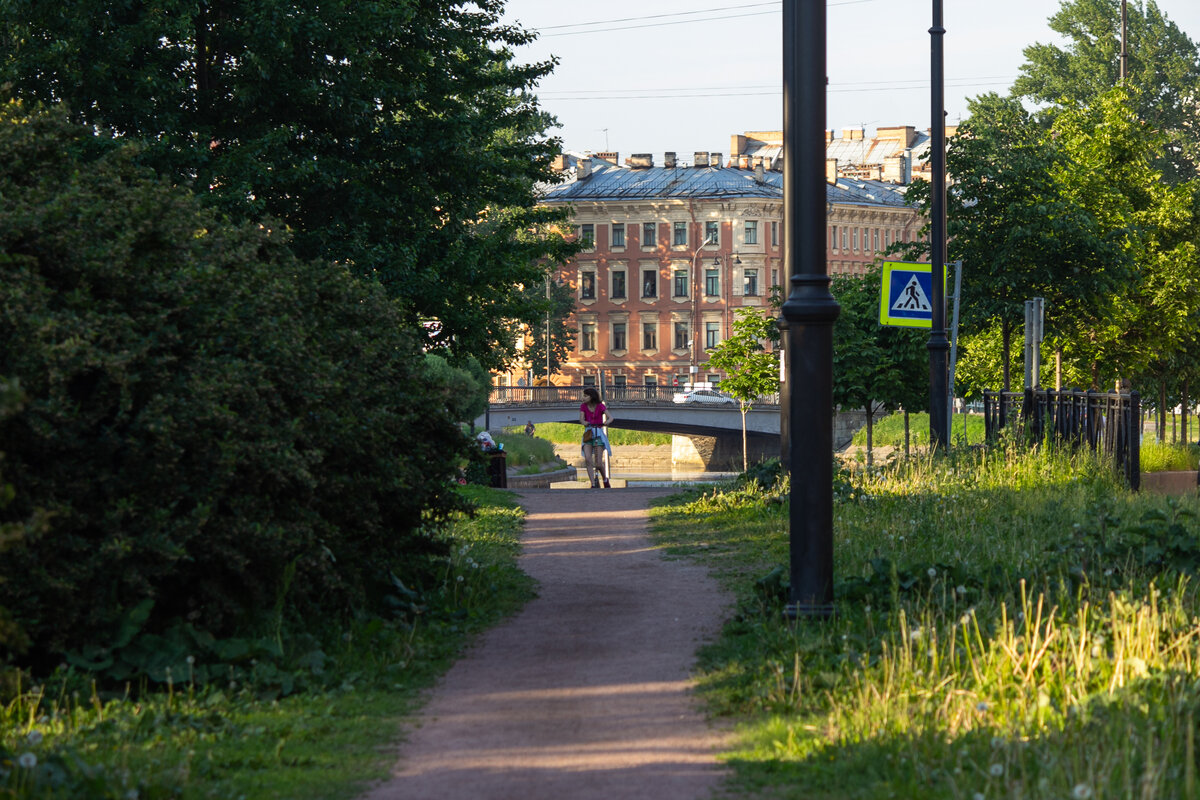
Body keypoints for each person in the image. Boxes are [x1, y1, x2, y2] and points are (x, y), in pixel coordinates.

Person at [579, 387, 613, 488]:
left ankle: (605, 479)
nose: (583, 398)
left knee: (598, 463)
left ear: (591, 396)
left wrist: (606, 422)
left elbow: (611, 417)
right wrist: (585, 423)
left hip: (598, 433)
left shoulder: (600, 406)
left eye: (585, 396)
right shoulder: (583, 406)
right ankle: (593, 483)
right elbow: (581, 419)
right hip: (588, 433)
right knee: (588, 459)